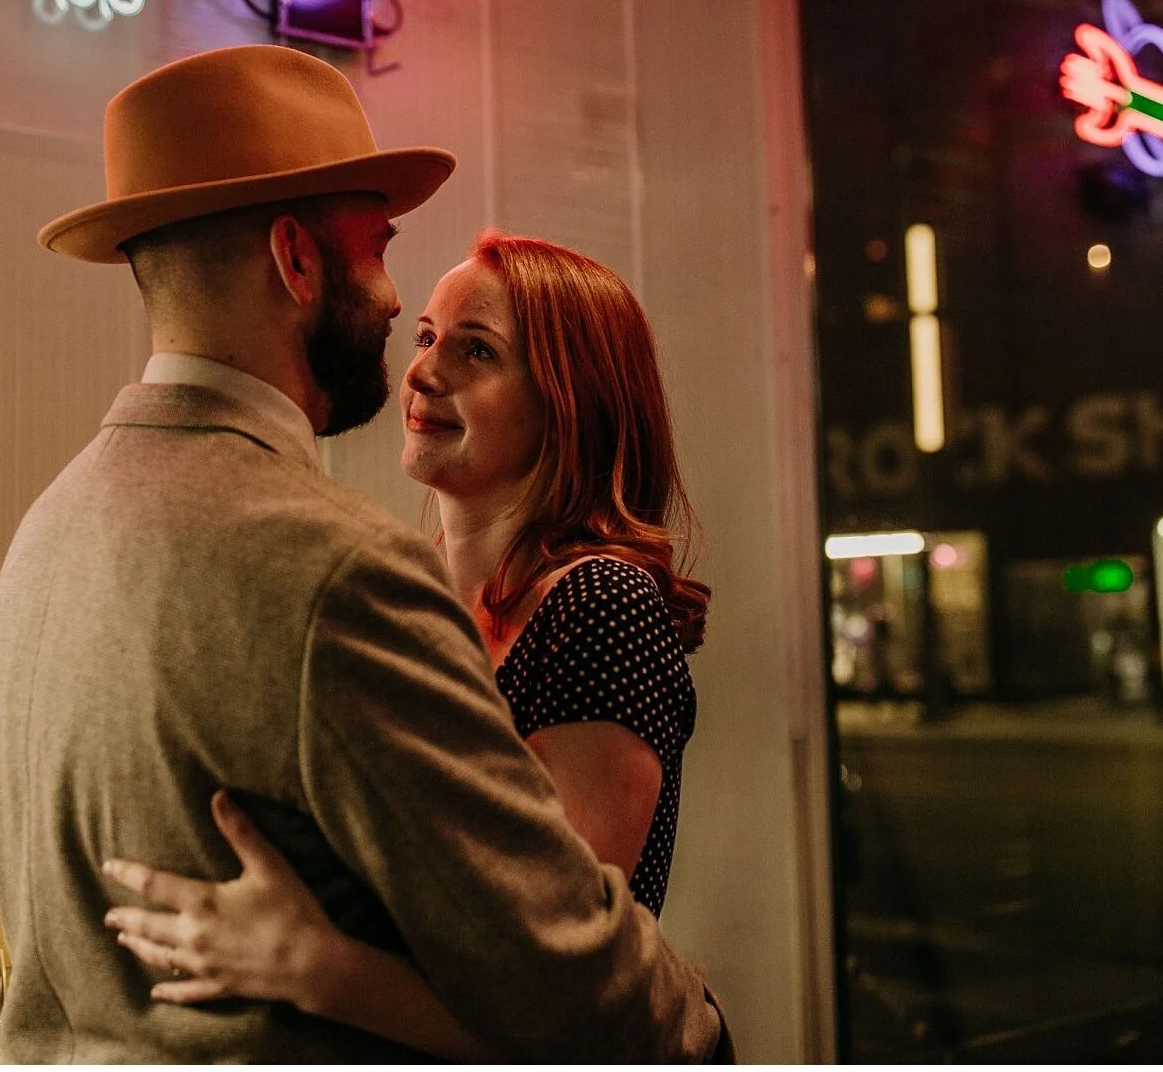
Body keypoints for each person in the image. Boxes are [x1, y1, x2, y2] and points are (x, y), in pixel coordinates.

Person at [0, 45, 728, 1063]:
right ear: (295, 261)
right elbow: (571, 986)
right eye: (379, 255)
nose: (397, 324)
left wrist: (321, 965)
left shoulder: (45, 532)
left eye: (473, 348)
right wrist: (701, 1033)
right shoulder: (339, 571)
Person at [99, 232, 711, 1049]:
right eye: (425, 337)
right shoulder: (404, 588)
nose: (422, 372)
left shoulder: (600, 605)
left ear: (571, 397)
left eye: (477, 350)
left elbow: (552, 990)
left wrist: (306, 962)